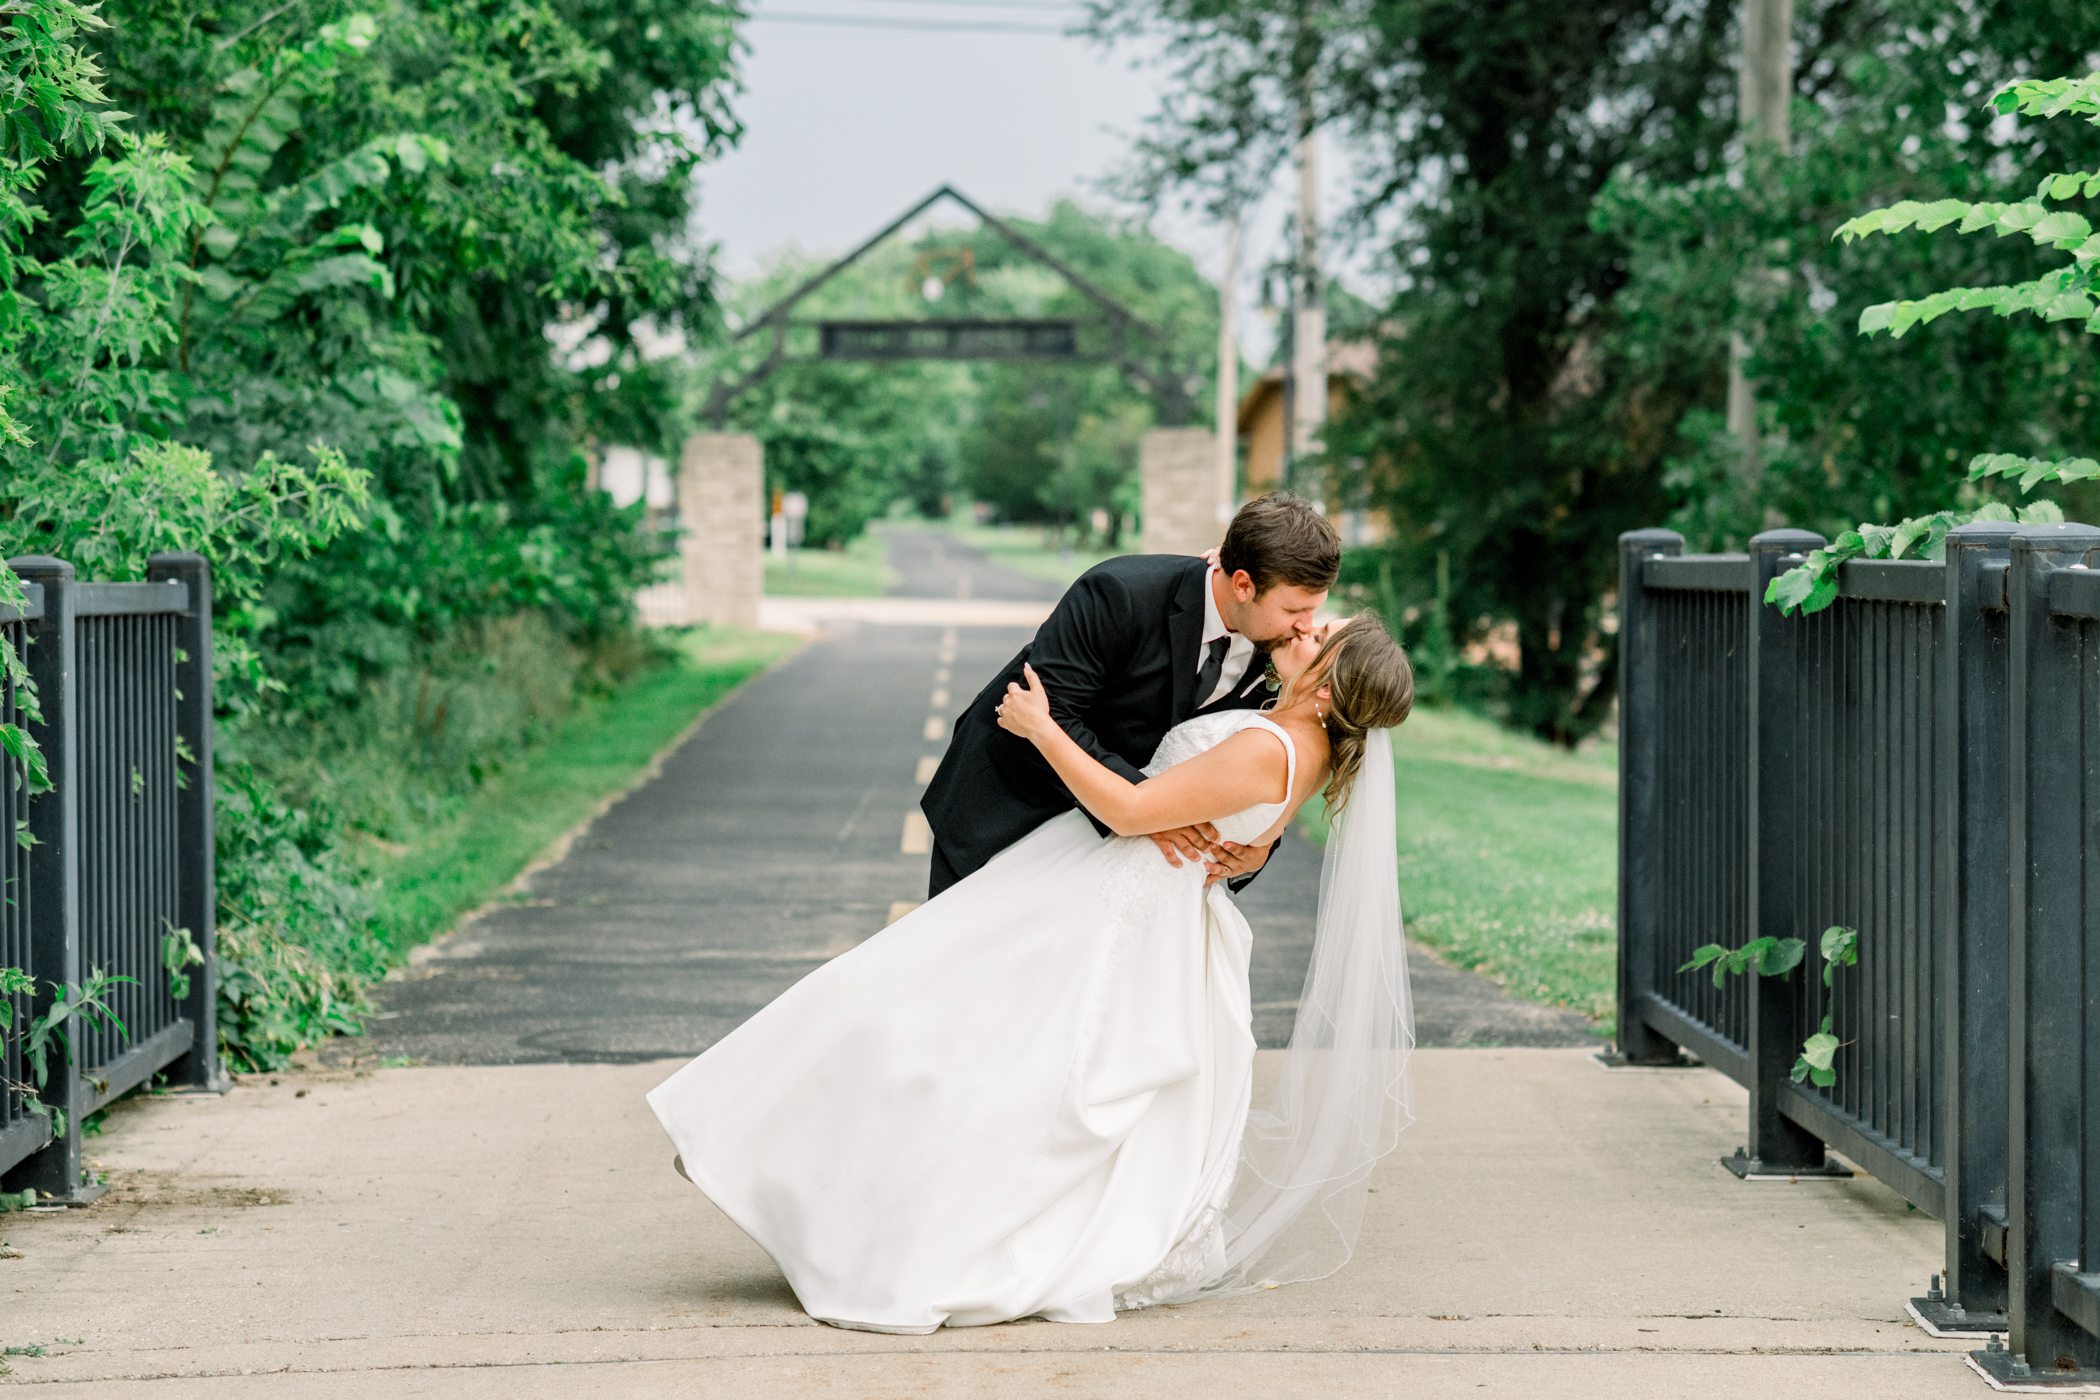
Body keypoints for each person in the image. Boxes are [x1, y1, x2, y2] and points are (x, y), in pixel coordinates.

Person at [646, 612, 1419, 1333]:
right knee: (943, 1025)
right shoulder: (1301, 741)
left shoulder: (1270, 746)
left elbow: (1126, 809)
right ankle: (789, 1177)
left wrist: (1042, 729)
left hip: (1110, 907)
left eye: (1326, 632)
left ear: (1327, 681)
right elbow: (1232, 820)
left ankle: (834, 1201)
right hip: (1123, 897)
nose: (1310, 625)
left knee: (946, 1032)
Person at [920, 492, 1340, 899]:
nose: (1305, 626)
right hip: (1008, 809)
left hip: (1111, 866)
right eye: (1293, 611)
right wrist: (1144, 810)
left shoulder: (1280, 651)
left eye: (1313, 611)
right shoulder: (1119, 593)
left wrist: (1262, 842)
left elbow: (1278, 753)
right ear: (1244, 585)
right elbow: (1053, 712)